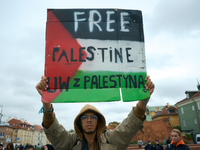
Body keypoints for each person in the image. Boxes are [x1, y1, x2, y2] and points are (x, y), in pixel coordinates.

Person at [36, 75, 155, 150]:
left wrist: (143, 101)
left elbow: (129, 126)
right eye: (84, 118)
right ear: (79, 122)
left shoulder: (111, 139)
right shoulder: (70, 142)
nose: (89, 120)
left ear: (99, 120)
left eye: (93, 117)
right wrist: (46, 100)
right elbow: (53, 131)